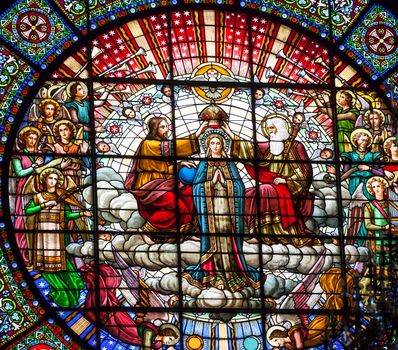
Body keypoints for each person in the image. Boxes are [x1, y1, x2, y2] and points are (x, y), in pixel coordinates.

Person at [182, 132, 260, 292]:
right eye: (213, 143)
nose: (216, 146)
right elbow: (197, 186)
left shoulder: (229, 163)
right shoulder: (204, 164)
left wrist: (225, 183)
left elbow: (240, 187)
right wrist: (210, 183)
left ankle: (231, 273)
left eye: (218, 143)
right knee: (214, 238)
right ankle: (213, 274)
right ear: (208, 146)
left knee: (227, 238)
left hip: (228, 210)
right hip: (211, 210)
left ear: (223, 145)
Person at [223, 115, 316, 248]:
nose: (270, 132)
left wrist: (286, 181)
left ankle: (266, 235)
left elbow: (306, 172)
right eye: (267, 129)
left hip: (290, 189)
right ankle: (253, 232)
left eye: (272, 128)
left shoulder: (296, 146)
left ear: (281, 128)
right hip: (272, 185)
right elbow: (250, 150)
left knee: (263, 190)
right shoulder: (269, 147)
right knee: (246, 194)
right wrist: (231, 135)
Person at [125, 115, 208, 242]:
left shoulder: (161, 144)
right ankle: (146, 230)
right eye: (162, 127)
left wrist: (179, 165)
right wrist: (196, 134)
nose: (167, 130)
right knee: (178, 206)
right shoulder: (148, 144)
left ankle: (187, 231)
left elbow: (165, 166)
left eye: (167, 127)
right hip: (150, 185)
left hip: (165, 182)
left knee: (190, 193)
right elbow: (171, 149)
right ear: (154, 129)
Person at [24, 168, 92, 307]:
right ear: (45, 180)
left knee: (62, 264)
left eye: (55, 179)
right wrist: (44, 205)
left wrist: (82, 214)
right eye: (50, 178)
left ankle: (72, 288)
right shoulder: (38, 197)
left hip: (58, 235)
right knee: (45, 267)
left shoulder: (62, 197)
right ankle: (60, 293)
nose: (53, 181)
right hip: (42, 235)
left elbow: (67, 216)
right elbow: (28, 211)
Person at [81, 261, 180, 349]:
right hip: (123, 324)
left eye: (171, 341)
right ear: (166, 332)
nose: (169, 342)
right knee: (104, 304)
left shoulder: (154, 340)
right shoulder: (150, 332)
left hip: (123, 329)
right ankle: (94, 275)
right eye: (170, 338)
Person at [268, 267, 356, 349]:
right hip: (320, 333)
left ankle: (343, 280)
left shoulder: (293, 332)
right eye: (274, 343)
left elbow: (300, 346)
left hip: (319, 327)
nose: (276, 344)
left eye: (275, 340)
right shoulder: (290, 344)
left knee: (337, 311)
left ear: (279, 334)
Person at [11, 126, 44, 266]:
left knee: (38, 221)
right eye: (30, 138)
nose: (32, 140)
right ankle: (22, 254)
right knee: (23, 220)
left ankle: (36, 256)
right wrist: (35, 165)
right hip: (24, 190)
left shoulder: (39, 153)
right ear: (24, 139)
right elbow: (19, 173)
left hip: (39, 189)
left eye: (35, 138)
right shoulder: (18, 155)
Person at [363, 176, 397, 276]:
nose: (376, 189)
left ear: (384, 187)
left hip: (394, 239)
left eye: (378, 186)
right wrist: (383, 227)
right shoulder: (369, 206)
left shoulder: (392, 204)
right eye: (373, 187)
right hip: (378, 241)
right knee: (380, 268)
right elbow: (368, 225)